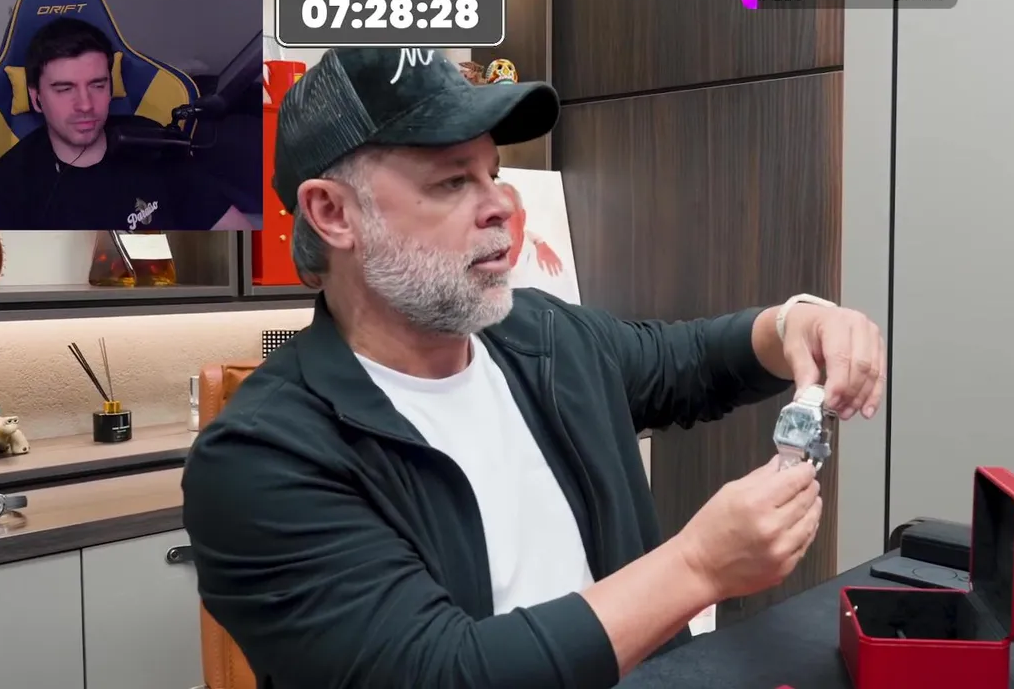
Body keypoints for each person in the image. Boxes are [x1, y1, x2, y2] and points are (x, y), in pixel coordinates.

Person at [182, 47, 887, 689]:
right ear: (332, 213)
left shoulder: (544, 339)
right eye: (452, 181)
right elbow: (438, 672)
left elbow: (694, 360)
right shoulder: (259, 460)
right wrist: (697, 567)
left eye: (491, 173)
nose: (500, 206)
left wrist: (799, 323)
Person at [0, 18, 251, 230]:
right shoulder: (6, 186)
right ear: (36, 97)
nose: (85, 104)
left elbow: (236, 233)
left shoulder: (152, 144)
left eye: (97, 85)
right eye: (64, 89)